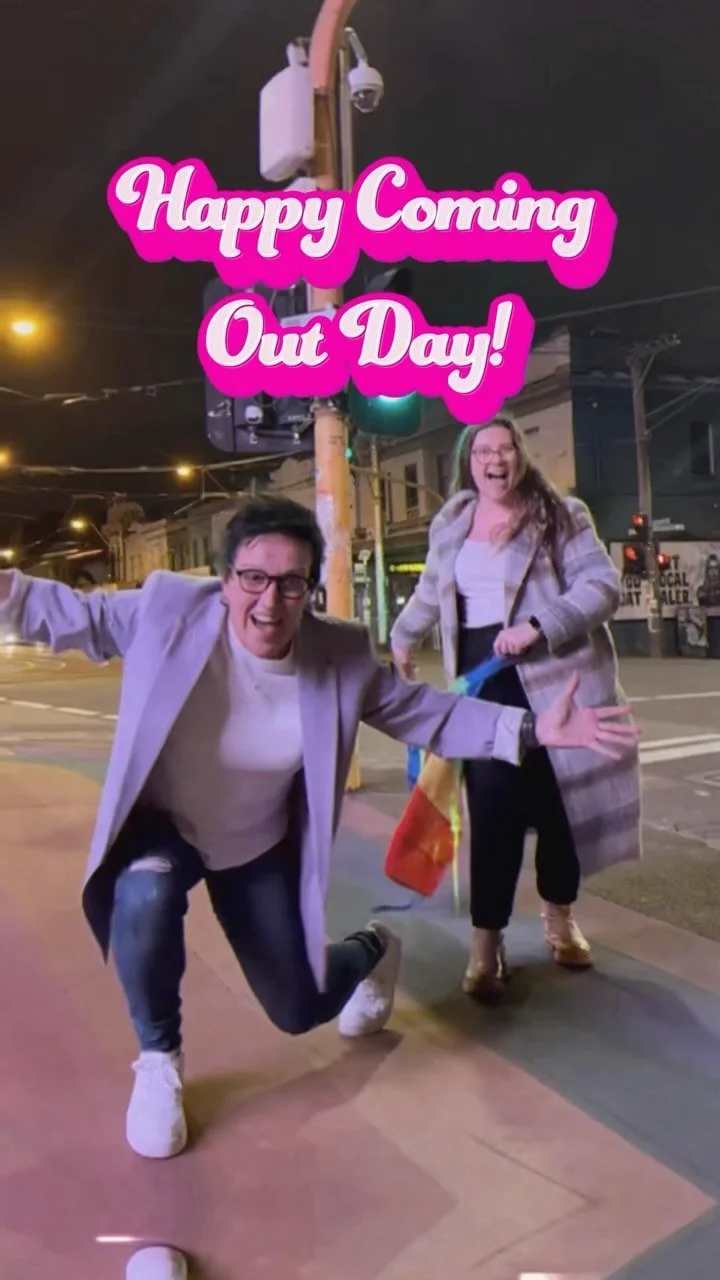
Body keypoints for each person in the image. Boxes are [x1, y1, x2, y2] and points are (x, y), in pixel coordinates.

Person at [0, 495, 638, 1160]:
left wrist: (532, 729)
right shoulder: (168, 609)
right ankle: (159, 1058)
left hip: (254, 844)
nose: (270, 602)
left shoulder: (339, 653)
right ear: (225, 579)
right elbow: (69, 613)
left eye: (291, 582)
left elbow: (426, 713)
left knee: (298, 1008)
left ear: (309, 587)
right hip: (166, 828)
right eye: (254, 578)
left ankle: (373, 950)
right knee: (143, 891)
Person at [391, 417, 641, 1001]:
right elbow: (431, 590)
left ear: (520, 456)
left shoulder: (560, 514)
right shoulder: (452, 521)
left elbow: (602, 586)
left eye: (505, 449)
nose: (494, 460)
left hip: (557, 678)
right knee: (493, 809)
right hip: (483, 681)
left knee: (559, 807)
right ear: (468, 461)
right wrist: (403, 637)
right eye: (483, 451)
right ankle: (487, 942)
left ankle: (559, 916)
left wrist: (537, 625)